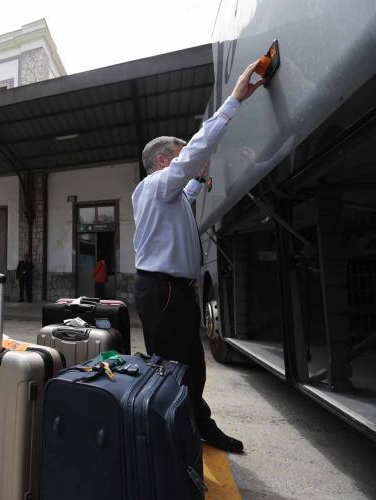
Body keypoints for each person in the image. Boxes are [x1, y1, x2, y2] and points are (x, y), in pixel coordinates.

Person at [132, 61, 265, 453]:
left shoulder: (168, 194)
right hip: (164, 291)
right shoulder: (157, 183)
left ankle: (194, 424)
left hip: (171, 291)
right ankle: (170, 435)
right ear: (163, 162)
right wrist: (236, 99)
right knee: (174, 366)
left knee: (190, 364)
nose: (190, 161)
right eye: (181, 156)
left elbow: (191, 184)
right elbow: (196, 154)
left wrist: (207, 169)